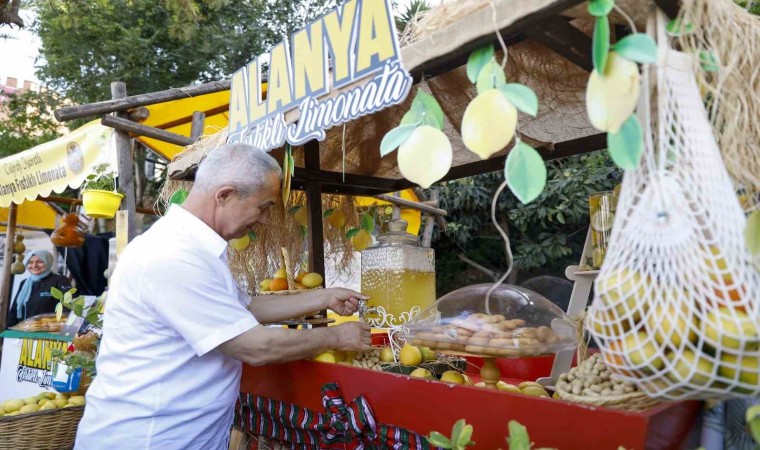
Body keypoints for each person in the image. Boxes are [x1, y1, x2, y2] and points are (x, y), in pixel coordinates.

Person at [75, 144, 371, 450]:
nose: (264, 220)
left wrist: (324, 297)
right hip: (148, 439)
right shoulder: (174, 255)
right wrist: (337, 337)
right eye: (264, 207)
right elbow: (256, 346)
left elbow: (246, 308)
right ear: (225, 195)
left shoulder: (195, 248)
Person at [6, 249, 71, 329]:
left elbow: (69, 306)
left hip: (48, 332)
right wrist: (8, 330)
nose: (34, 266)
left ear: (48, 262)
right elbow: (15, 309)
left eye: (40, 262)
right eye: (30, 262)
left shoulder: (60, 281)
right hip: (23, 331)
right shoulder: (25, 283)